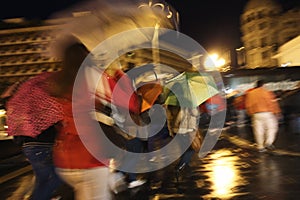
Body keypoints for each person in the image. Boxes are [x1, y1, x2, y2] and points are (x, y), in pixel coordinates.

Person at [50, 39, 112, 199]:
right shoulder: (92, 76)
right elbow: (127, 102)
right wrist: (115, 72)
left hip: (65, 159)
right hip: (90, 154)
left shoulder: (58, 82)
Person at [245, 80, 282, 152]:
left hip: (255, 114)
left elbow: (248, 105)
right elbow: (272, 103)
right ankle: (268, 142)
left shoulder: (250, 94)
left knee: (258, 131)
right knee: (272, 128)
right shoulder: (266, 92)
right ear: (263, 85)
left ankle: (260, 147)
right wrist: (277, 112)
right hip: (267, 113)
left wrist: (250, 113)